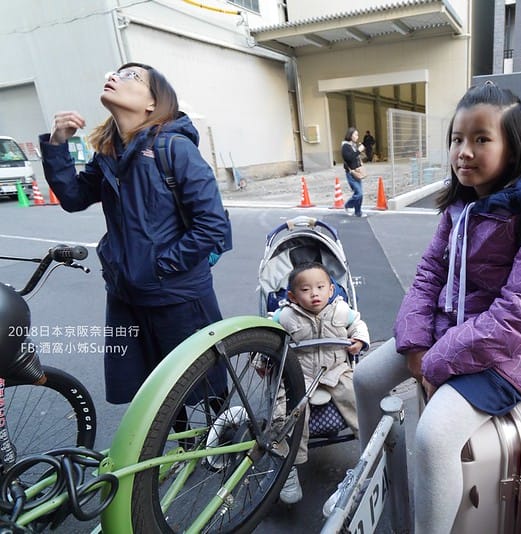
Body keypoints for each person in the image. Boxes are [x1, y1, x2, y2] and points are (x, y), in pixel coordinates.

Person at [334, 82, 521, 530]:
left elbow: (517, 319)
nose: (463, 151)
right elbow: (429, 273)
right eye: (457, 139)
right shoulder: (463, 205)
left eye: (481, 139)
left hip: (513, 355)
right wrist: (413, 342)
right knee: (366, 378)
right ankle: (375, 486)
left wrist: (435, 360)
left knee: (433, 436)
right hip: (454, 331)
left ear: (515, 147)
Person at [39, 62, 230, 406]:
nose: (112, 76)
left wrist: (158, 267)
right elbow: (73, 197)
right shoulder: (110, 153)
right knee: (150, 397)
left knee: (199, 392)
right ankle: (159, 457)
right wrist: (57, 145)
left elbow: (212, 225)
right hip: (126, 296)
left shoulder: (175, 148)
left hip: (176, 296)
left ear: (153, 103)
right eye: (112, 72)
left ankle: (219, 450)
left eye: (131, 76)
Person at [273, 262, 370, 504]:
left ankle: (371, 452)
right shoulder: (284, 316)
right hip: (301, 375)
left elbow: (357, 324)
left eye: (320, 287)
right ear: (293, 297)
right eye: (306, 290)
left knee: (360, 400)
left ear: (331, 290)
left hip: (336, 369)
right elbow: (265, 338)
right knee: (290, 414)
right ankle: (289, 464)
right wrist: (262, 362)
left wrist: (358, 339)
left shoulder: (341, 311)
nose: (314, 293)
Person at [341, 127, 367, 217]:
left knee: (360, 193)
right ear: (350, 135)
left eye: (357, 135)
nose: (357, 136)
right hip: (351, 173)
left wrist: (360, 152)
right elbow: (349, 158)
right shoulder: (345, 146)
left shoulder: (353, 145)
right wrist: (358, 150)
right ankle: (348, 205)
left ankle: (358, 212)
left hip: (357, 171)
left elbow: (357, 157)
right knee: (359, 193)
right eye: (355, 134)